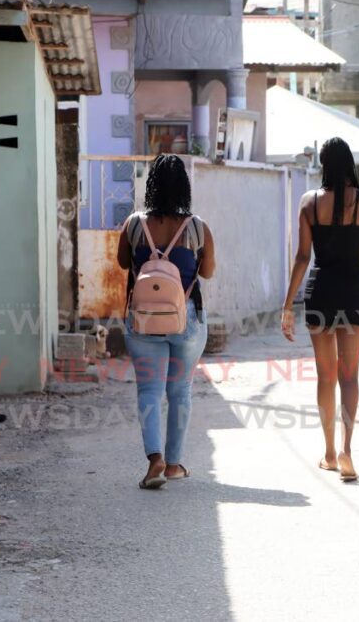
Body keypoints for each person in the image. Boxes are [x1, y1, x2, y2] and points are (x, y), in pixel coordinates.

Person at [280, 137, 359, 482]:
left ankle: (328, 452)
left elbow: (302, 257)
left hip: (320, 291)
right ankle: (347, 450)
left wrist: (286, 306)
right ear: (351, 163)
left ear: (323, 166)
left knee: (325, 376)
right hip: (353, 292)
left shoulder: (308, 202)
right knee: (349, 376)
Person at [117, 154, 215, 489]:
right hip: (186, 320)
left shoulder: (133, 224)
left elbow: (121, 263)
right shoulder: (197, 227)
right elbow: (208, 272)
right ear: (183, 187)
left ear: (152, 186)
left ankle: (154, 459)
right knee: (180, 391)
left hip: (142, 320)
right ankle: (174, 464)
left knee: (149, 389)